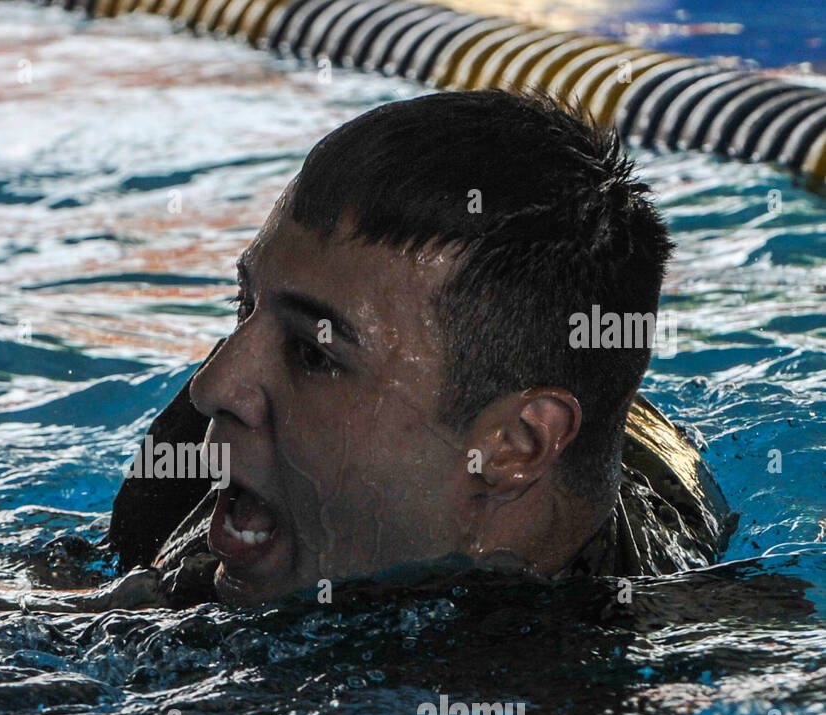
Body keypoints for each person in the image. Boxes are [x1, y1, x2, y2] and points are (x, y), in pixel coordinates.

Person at [105, 89, 736, 609]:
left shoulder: (656, 669)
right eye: (245, 307)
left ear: (514, 446)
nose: (213, 384)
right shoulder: (181, 483)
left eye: (313, 353)